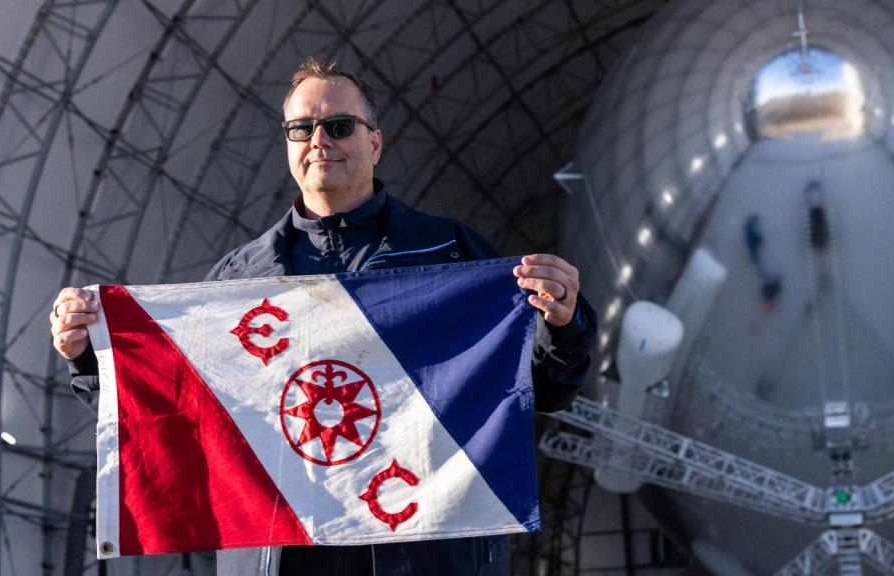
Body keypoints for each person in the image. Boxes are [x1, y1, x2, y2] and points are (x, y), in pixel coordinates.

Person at [50, 57, 596, 576]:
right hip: (280, 554)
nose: (319, 141)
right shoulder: (235, 283)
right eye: (302, 128)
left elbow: (541, 390)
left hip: (422, 552)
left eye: (339, 125)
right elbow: (174, 415)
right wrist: (90, 358)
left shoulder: (451, 256)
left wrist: (562, 322)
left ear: (375, 143)